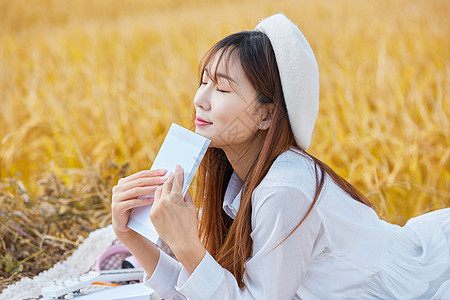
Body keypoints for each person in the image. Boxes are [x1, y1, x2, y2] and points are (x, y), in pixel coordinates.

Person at [111, 13, 450, 299]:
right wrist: (132, 236)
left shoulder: (285, 188)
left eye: (223, 88)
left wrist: (186, 243)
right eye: (204, 82)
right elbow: (208, 290)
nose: (201, 99)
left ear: (267, 115)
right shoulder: (240, 183)